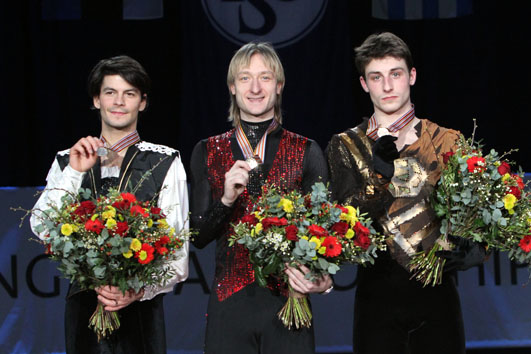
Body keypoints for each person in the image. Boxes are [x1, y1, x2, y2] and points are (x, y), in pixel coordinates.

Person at [326, 32, 487, 354]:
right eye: (377, 77)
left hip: (437, 297)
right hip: (376, 299)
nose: (387, 86)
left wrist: (473, 251)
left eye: (395, 74)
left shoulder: (448, 141)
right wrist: (379, 178)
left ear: (411, 76)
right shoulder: (345, 145)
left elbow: (477, 224)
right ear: (364, 83)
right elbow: (343, 223)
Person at [30, 55, 189, 354]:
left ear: (142, 102)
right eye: (110, 92)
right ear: (96, 100)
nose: (119, 102)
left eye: (129, 93)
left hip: (141, 312)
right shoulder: (69, 158)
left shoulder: (165, 161)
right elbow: (41, 227)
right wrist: (76, 172)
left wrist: (137, 290)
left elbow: (178, 257)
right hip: (83, 310)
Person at [190, 42, 332, 354]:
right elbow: (197, 236)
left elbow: (326, 232)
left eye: (265, 78)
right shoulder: (207, 151)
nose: (255, 88)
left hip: (288, 303)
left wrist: (323, 279)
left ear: (279, 86)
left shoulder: (307, 151)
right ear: (232, 87)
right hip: (229, 305)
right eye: (245, 78)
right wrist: (226, 199)